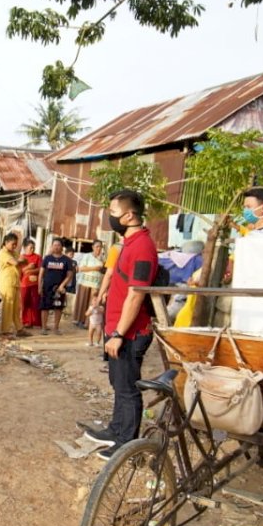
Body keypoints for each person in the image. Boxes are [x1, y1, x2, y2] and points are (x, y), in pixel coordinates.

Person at [83, 189, 163, 459]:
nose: (110, 217)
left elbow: (136, 295)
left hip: (129, 333)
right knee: (118, 383)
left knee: (128, 388)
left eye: (114, 213)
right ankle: (116, 430)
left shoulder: (142, 247)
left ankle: (127, 443)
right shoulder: (129, 243)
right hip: (115, 328)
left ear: (129, 215)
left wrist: (118, 333)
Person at [40, 238, 74, 335]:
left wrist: (62, 285)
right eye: (54, 245)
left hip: (59, 289)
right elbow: (41, 273)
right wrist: (39, 286)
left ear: (62, 247)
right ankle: (43, 328)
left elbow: (70, 275)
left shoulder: (66, 260)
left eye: (58, 245)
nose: (56, 247)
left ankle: (56, 328)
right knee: (44, 307)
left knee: (58, 308)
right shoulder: (47, 258)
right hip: (46, 287)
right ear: (52, 246)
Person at [0, 233, 24, 338]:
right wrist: (21, 261)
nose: (14, 246)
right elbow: (17, 263)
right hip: (7, 282)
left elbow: (22, 261)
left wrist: (22, 261)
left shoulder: (13, 252)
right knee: (8, 306)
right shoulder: (3, 253)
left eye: (16, 244)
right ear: (6, 242)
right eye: (13, 244)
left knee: (16, 307)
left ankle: (19, 328)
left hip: (15, 282)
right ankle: (5, 330)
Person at [74, 240, 106, 326]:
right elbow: (81, 268)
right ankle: (80, 320)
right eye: (97, 246)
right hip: (85, 283)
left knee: (92, 304)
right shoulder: (87, 256)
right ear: (93, 247)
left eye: (100, 247)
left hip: (96, 284)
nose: (99, 248)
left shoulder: (103, 258)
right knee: (82, 302)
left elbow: (104, 271)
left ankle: (88, 323)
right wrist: (94, 268)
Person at [20, 239, 42, 329]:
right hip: (24, 283)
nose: (32, 249)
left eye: (33, 247)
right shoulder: (21, 258)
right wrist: (28, 267)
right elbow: (20, 270)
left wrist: (31, 270)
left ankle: (36, 322)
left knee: (35, 303)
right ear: (25, 248)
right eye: (30, 248)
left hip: (34, 283)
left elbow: (41, 269)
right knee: (25, 303)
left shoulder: (38, 257)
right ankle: (25, 321)